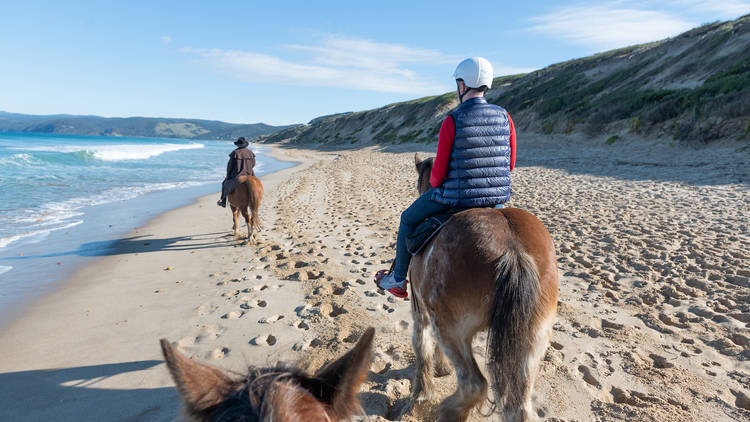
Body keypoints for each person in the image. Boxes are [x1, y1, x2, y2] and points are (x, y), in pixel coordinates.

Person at [375, 57, 517, 298]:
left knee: (408, 218)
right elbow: (510, 164)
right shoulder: (505, 117)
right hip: (496, 200)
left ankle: (397, 279)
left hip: (456, 199)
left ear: (462, 85)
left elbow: (438, 174)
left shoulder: (453, 120)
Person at [217, 137, 256, 208]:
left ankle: (223, 201)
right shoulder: (250, 152)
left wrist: (228, 176)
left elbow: (230, 167)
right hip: (249, 173)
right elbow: (253, 164)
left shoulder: (235, 153)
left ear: (238, 145)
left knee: (224, 183)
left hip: (237, 174)